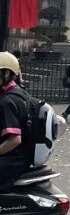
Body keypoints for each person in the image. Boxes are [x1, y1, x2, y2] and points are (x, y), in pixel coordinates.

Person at [0, 52, 33, 189]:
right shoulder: (19, 92)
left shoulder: (7, 101)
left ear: (6, 73)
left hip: (12, 159)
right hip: (21, 156)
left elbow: (14, 140)